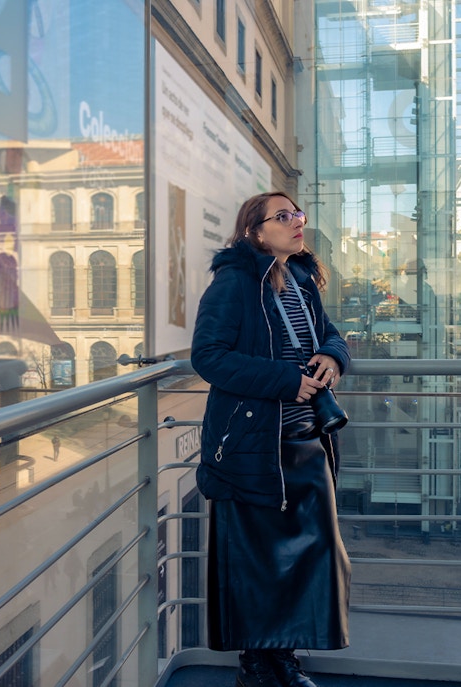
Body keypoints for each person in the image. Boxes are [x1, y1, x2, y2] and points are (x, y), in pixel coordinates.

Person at [192, 191, 351, 687]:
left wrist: (332, 356)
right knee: (256, 559)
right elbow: (208, 357)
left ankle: (284, 656)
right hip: (253, 443)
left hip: (306, 441)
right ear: (255, 232)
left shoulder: (301, 281)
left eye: (297, 214)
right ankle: (257, 664)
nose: (296, 222)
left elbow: (330, 334)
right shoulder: (233, 282)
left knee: (310, 555)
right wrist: (284, 380)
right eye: (282, 216)